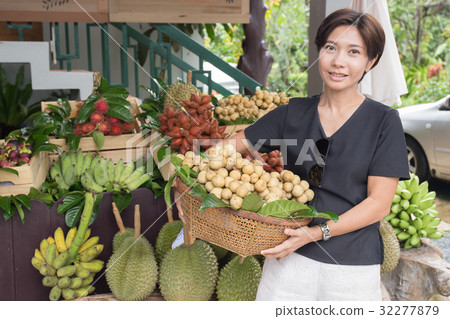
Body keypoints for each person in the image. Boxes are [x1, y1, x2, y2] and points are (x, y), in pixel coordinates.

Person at [175, 8, 410, 301]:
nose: (338, 61)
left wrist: (315, 233)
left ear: (370, 61)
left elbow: (378, 204)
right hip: (288, 260)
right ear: (319, 51)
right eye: (330, 48)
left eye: (354, 52)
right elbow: (233, 144)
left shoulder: (383, 121)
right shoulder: (293, 113)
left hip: (352, 267)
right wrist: (185, 182)